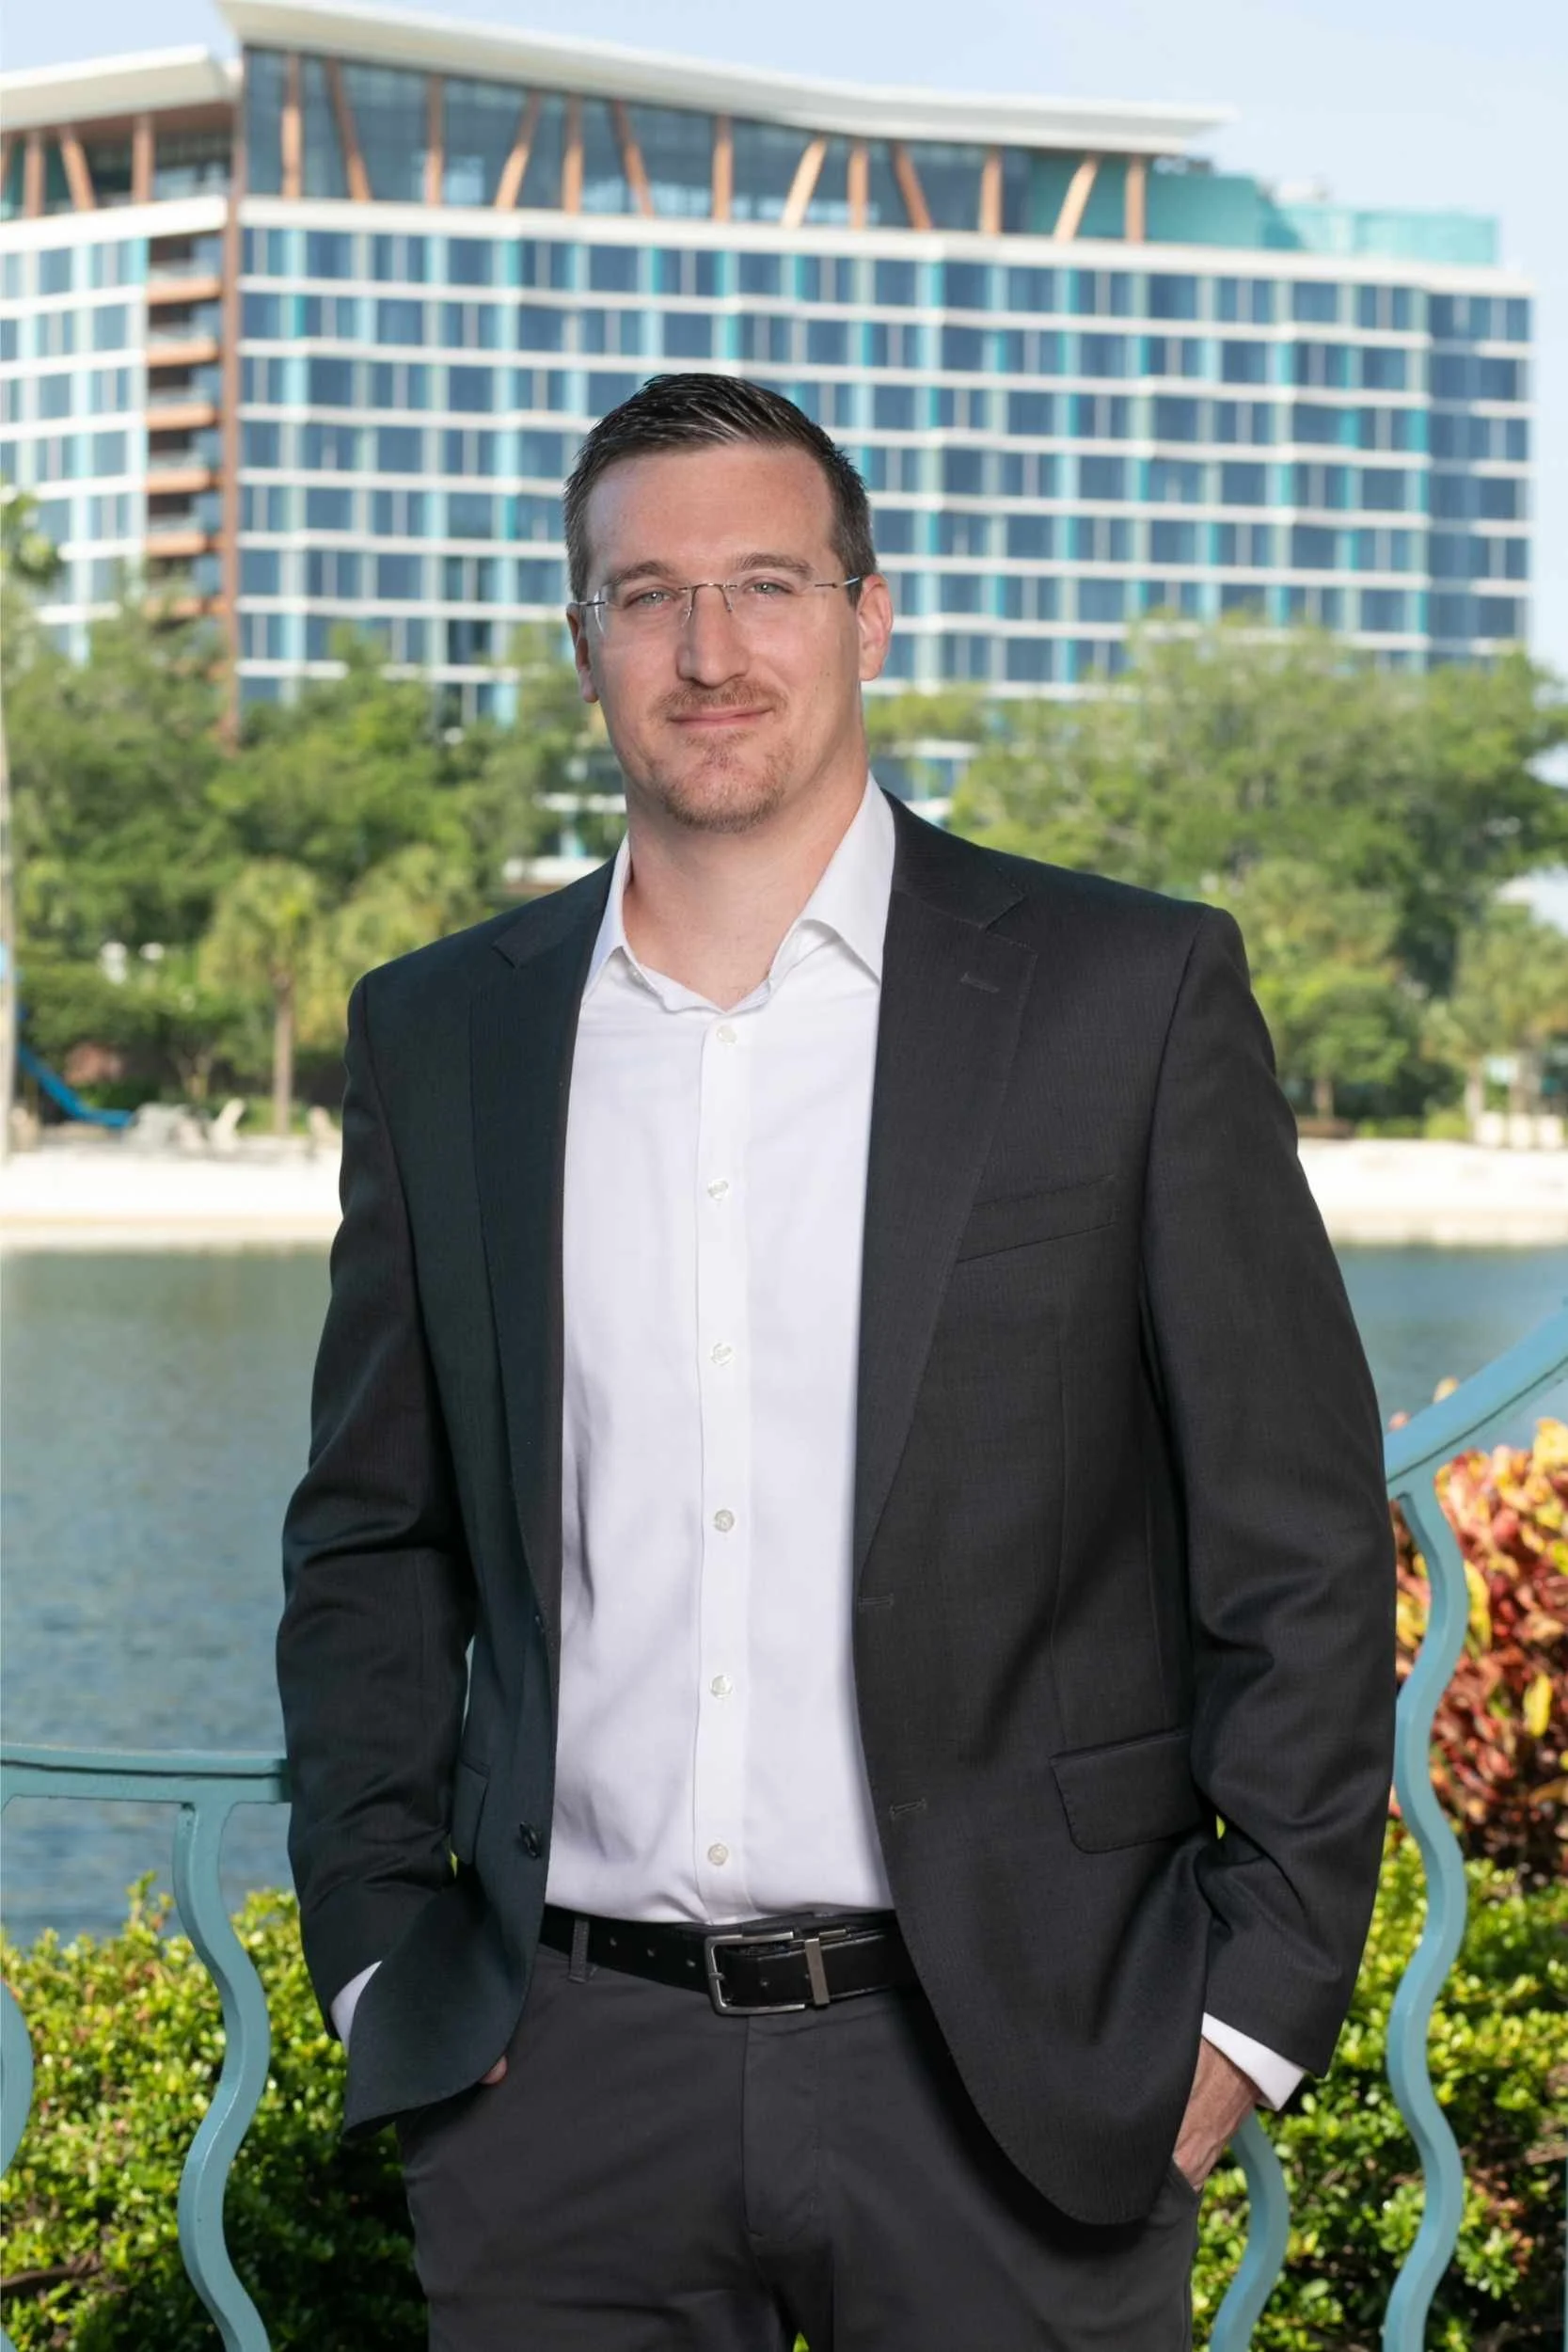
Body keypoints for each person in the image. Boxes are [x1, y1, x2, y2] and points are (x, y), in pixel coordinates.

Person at [277, 373, 1396, 2351]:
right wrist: (383, 1956)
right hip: (563, 2089)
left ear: (869, 615)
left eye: (765, 584)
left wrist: (1245, 2007)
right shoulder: (441, 1034)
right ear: (582, 639)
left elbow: (1293, 1543)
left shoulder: (1122, 995)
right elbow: (374, 1537)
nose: (707, 651)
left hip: (1014, 2078)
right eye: (646, 596)